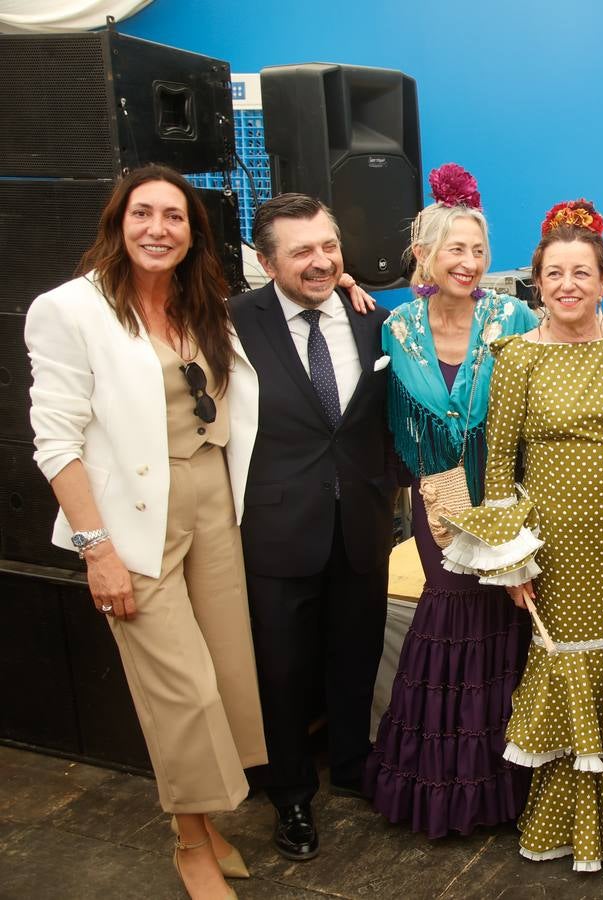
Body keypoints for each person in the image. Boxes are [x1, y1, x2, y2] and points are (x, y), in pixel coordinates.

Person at [26, 164, 265, 899]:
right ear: (118, 222)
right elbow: (55, 441)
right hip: (131, 521)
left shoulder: (203, 305)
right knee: (180, 690)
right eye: (143, 214)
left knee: (224, 677)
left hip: (210, 501)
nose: (158, 229)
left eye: (175, 218)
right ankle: (189, 843)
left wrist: (346, 282)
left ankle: (205, 822)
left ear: (194, 234)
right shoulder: (71, 309)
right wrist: (95, 549)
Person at [443, 199, 603, 872]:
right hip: (554, 557)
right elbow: (498, 462)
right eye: (553, 274)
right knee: (569, 672)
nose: (567, 286)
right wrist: (510, 560)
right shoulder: (518, 356)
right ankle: (577, 829)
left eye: (581, 272)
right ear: (537, 282)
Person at [363, 164, 538, 836]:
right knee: (449, 618)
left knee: (503, 625)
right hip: (436, 501)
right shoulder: (396, 328)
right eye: (455, 249)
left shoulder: (512, 317)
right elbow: (386, 420)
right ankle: (440, 785)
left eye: (478, 250)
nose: (469, 263)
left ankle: (505, 783)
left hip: (504, 499)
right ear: (425, 255)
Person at [228, 193, 397, 862]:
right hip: (276, 529)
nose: (321, 260)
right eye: (301, 251)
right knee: (283, 670)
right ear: (266, 262)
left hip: (360, 520)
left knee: (355, 654)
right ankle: (290, 793)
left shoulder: (372, 320)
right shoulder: (233, 324)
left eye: (328, 246)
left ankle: (354, 766)